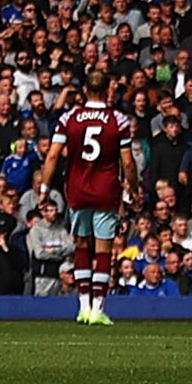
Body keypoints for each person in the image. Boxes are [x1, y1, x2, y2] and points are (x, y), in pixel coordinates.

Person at [46, 74, 130, 321]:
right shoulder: (118, 119)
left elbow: (52, 155)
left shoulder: (69, 117)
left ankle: (83, 307)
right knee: (103, 250)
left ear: (84, 90)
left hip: (77, 189)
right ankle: (98, 310)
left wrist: (44, 189)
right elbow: (127, 161)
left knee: (81, 245)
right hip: (106, 190)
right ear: (108, 90)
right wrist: (133, 188)